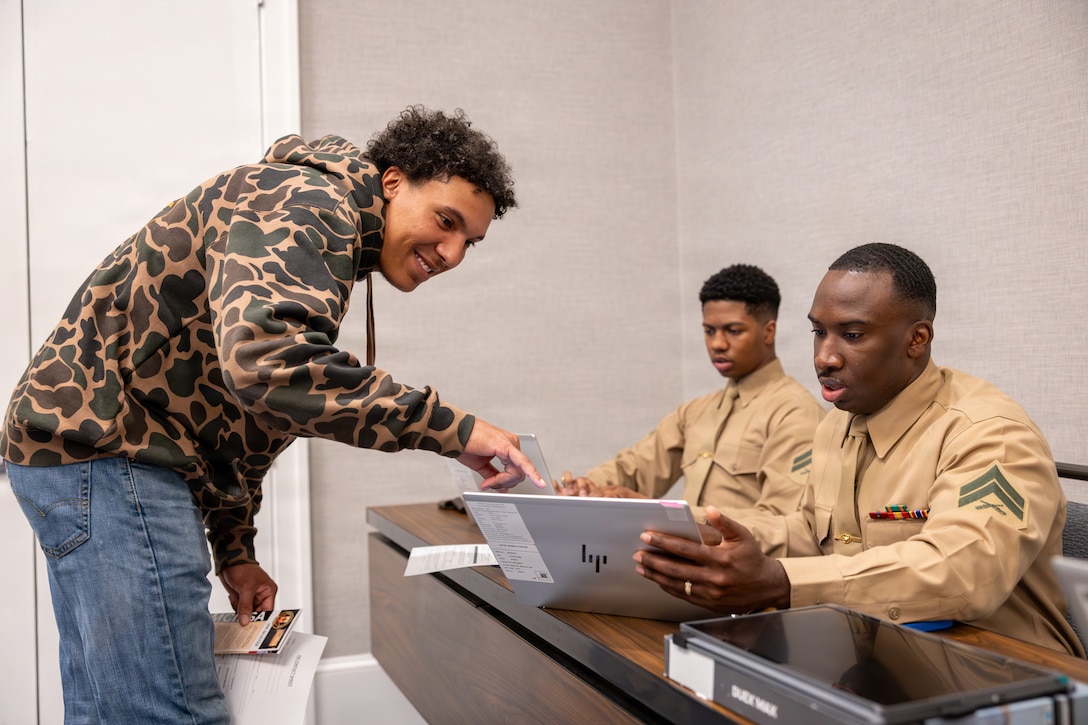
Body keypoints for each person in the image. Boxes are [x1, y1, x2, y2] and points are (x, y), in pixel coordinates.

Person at [0, 105, 546, 723]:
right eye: (445, 222)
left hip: (90, 449)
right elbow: (266, 366)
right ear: (392, 183)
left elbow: (240, 416)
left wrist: (235, 548)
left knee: (112, 708)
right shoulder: (309, 202)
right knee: (166, 712)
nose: (451, 253)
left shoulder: (319, 224)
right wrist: (455, 430)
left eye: (467, 242)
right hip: (111, 449)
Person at [633, 243, 1082, 656]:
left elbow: (966, 570)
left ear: (917, 339)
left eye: (852, 335)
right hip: (875, 654)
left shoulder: (988, 432)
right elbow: (811, 533)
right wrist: (691, 533)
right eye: (818, 332)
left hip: (1002, 669)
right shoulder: (839, 423)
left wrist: (781, 581)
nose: (824, 357)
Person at [558, 264, 824, 521]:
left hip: (747, 566)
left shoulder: (795, 413)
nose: (717, 344)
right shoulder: (695, 412)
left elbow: (785, 523)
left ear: (769, 332)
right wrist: (587, 488)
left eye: (733, 331)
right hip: (684, 563)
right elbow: (634, 468)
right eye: (709, 331)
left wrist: (665, 512)